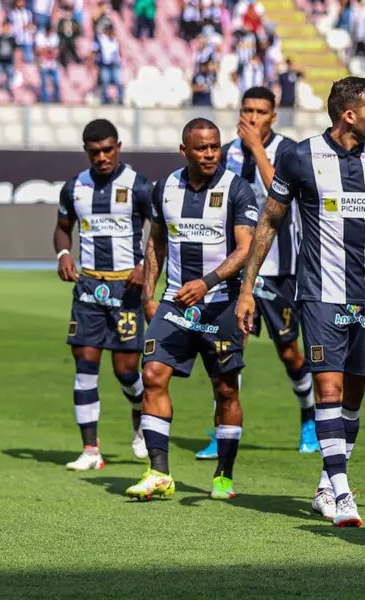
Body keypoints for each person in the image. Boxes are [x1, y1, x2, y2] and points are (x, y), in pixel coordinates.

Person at [236, 76, 365, 526]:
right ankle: (345, 494)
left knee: (353, 400)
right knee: (327, 391)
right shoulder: (300, 156)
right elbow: (270, 222)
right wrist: (247, 289)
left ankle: (326, 486)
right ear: (349, 115)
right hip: (319, 295)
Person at [127, 119, 259, 501]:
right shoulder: (165, 188)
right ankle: (158, 472)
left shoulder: (237, 188)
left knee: (226, 391)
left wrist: (208, 282)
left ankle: (223, 474)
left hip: (221, 304)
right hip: (174, 303)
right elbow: (155, 243)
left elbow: (245, 249)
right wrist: (149, 295)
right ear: (184, 150)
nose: (209, 154)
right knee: (152, 374)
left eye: (215, 147)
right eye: (201, 148)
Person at [195, 87, 319, 459]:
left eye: (260, 112)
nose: (252, 117)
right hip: (238, 268)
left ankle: (308, 417)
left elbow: (276, 193)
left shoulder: (288, 151)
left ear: (273, 115)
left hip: (280, 270)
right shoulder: (226, 152)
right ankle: (223, 430)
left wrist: (255, 149)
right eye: (247, 110)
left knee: (289, 352)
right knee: (228, 351)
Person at [55, 119, 155, 471]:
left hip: (126, 288)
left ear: (119, 147)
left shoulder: (139, 186)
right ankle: (90, 450)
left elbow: (160, 233)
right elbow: (63, 229)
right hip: (88, 288)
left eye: (107, 150)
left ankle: (140, 417)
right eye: (95, 151)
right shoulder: (74, 188)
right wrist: (63, 254)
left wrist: (144, 264)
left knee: (127, 371)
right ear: (86, 151)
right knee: (85, 367)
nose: (101, 157)